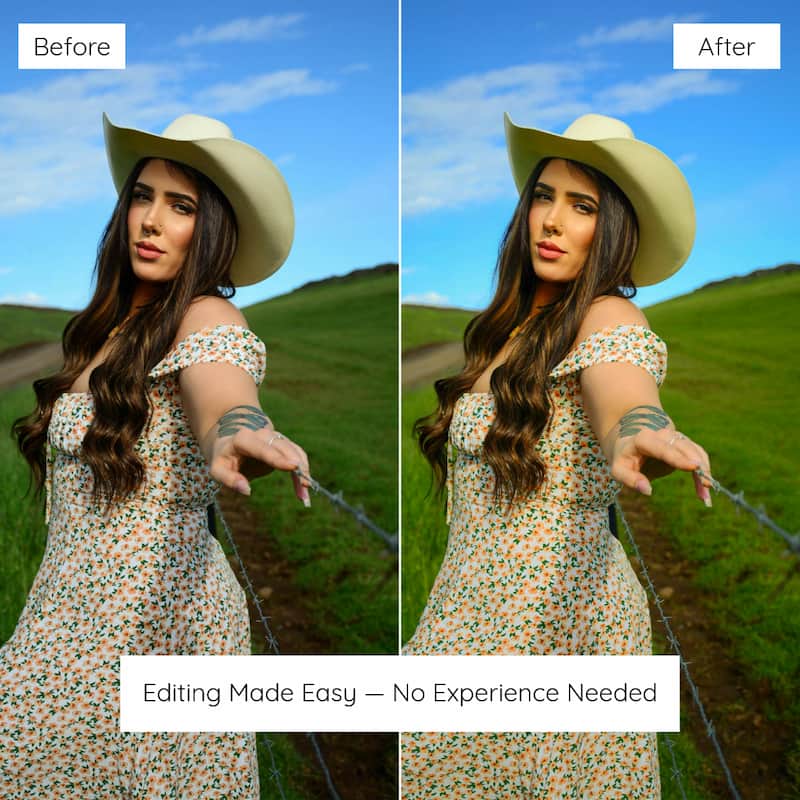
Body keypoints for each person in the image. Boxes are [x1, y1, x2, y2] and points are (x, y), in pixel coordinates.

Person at [402, 113, 714, 798]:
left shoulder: (607, 316)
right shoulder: (507, 335)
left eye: (583, 207)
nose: (552, 220)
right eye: (544, 197)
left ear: (616, 231)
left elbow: (625, 388)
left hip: (559, 620)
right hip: (468, 606)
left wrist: (639, 429)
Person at [1, 113, 310, 798]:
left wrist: (237, 430)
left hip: (157, 617)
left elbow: (224, 389)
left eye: (181, 207)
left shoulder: (207, 317)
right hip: (68, 608)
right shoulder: (106, 334)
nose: (151, 220)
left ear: (213, 231)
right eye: (143, 197)